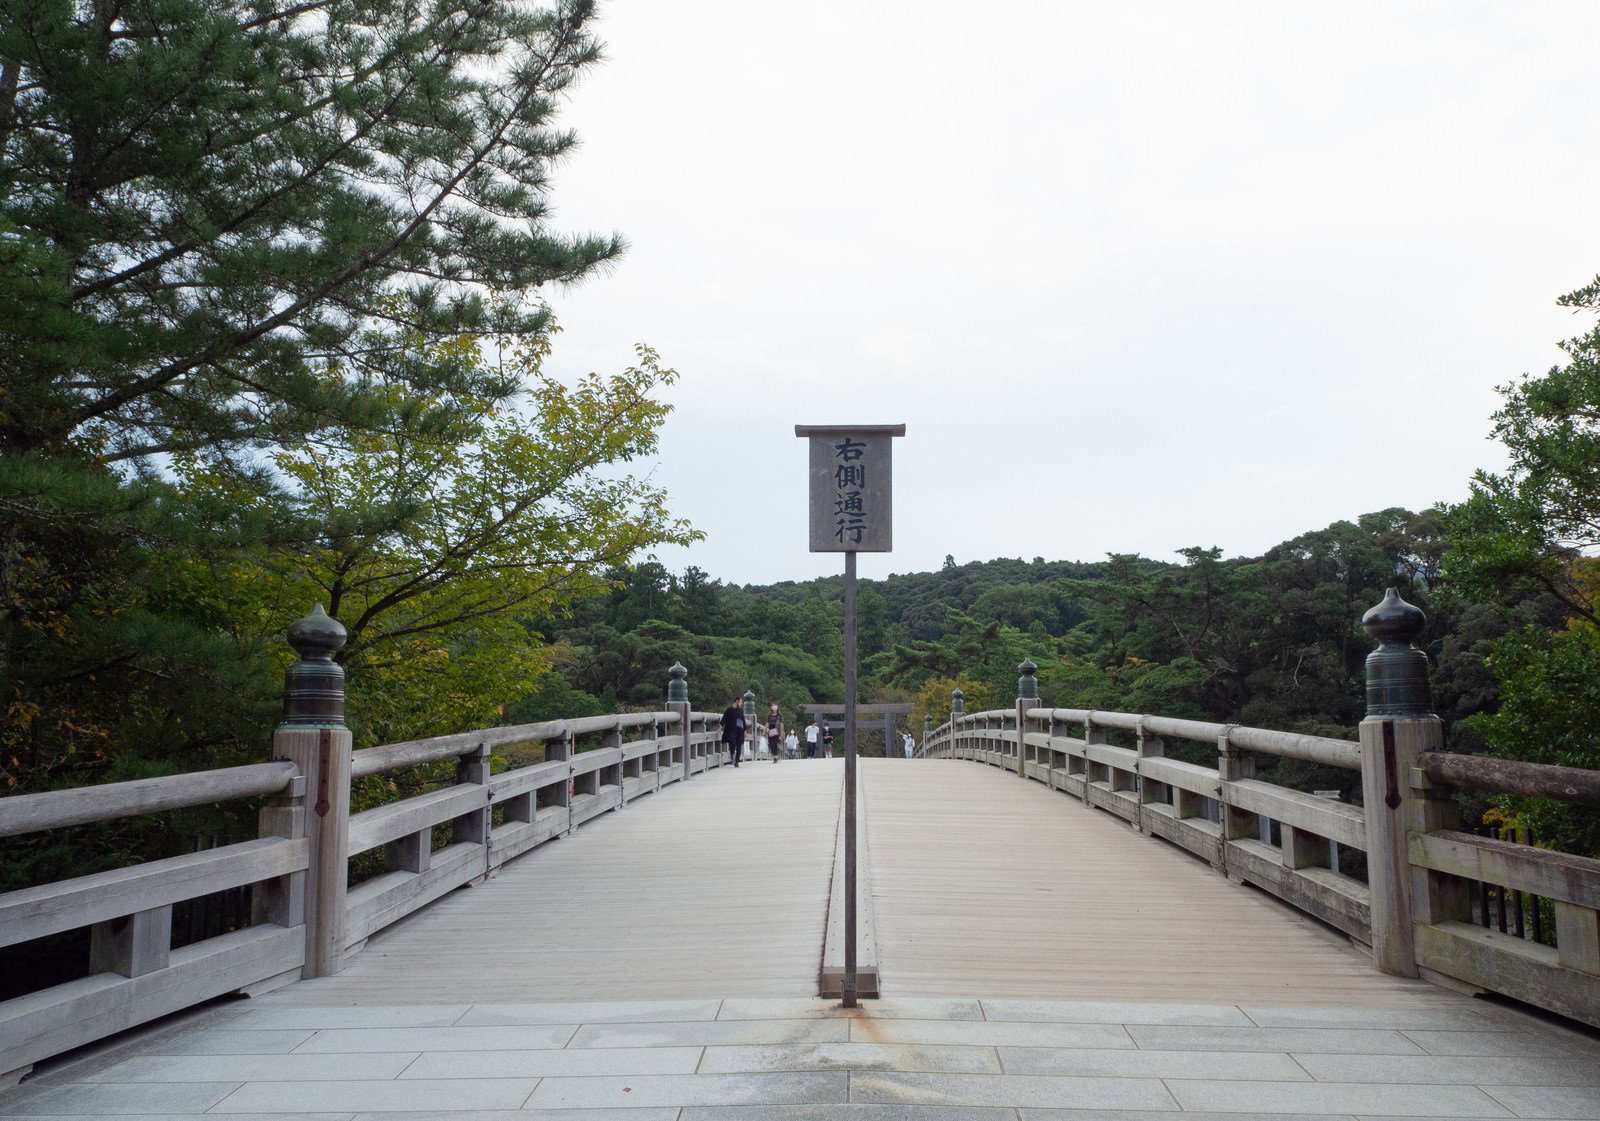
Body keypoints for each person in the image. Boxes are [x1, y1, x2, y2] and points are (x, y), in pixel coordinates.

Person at [720, 697, 745, 767]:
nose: (741, 703)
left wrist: (745, 730)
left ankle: (737, 761)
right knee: (732, 743)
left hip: (740, 730)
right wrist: (720, 728)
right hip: (731, 730)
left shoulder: (740, 710)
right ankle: (732, 754)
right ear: (737, 701)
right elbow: (724, 719)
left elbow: (743, 720)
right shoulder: (729, 710)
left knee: (739, 746)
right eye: (740, 702)